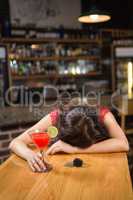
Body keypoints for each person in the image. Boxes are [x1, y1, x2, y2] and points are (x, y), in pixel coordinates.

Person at [9, 103, 129, 172]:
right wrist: (29, 155)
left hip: (101, 170)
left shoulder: (103, 116)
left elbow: (124, 144)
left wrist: (76, 150)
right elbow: (15, 142)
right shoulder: (55, 117)